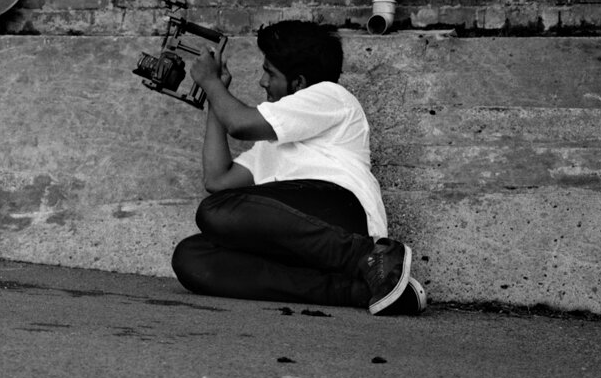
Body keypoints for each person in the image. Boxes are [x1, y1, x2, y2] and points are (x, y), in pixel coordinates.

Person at [171, 20, 426, 315]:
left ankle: (372, 255)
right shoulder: (268, 145)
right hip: (298, 241)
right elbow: (217, 179)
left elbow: (239, 124)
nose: (262, 82)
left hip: (340, 215)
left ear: (300, 83)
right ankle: (365, 290)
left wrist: (211, 84)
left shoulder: (332, 97)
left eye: (270, 73)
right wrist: (216, 97)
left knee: (214, 211)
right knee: (191, 256)